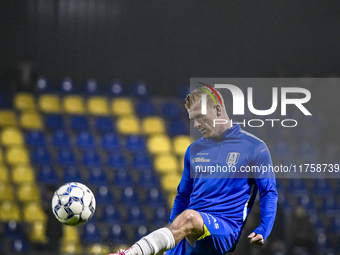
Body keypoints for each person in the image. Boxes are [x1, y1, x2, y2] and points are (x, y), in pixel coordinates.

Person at [109, 86, 278, 255]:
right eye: (193, 119)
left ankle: (131, 253)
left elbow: (269, 192)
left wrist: (264, 228)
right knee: (188, 218)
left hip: (224, 229)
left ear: (218, 110)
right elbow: (183, 196)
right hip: (190, 228)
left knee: (189, 217)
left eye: (200, 117)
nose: (196, 124)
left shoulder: (255, 147)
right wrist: (172, 232)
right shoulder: (194, 150)